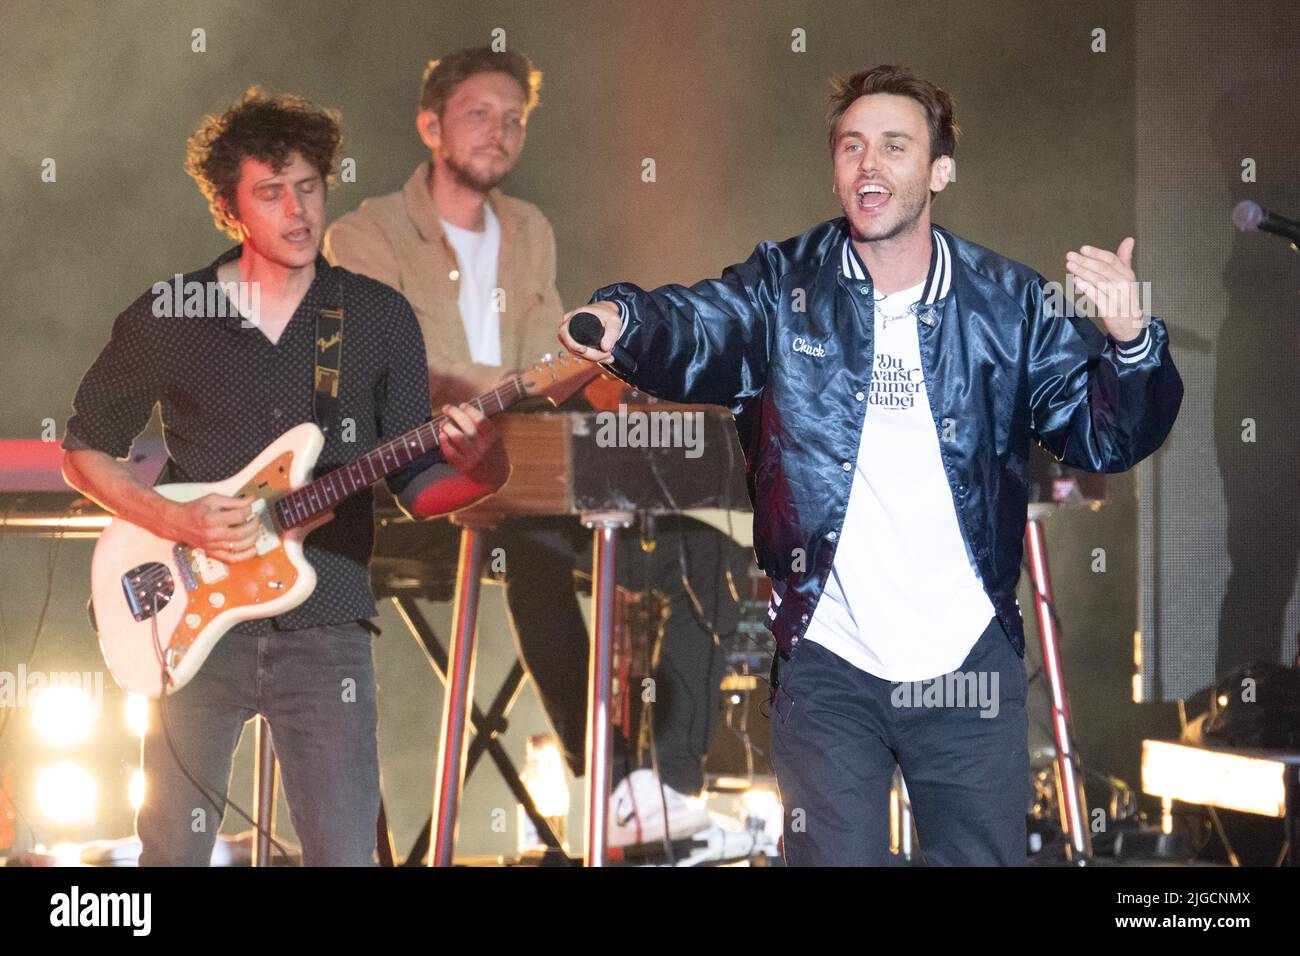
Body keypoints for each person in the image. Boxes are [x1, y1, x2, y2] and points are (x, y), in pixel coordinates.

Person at [559, 64, 1185, 866]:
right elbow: (700, 324)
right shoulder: (786, 285)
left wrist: (1132, 345)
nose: (868, 164)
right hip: (831, 662)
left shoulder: (1007, 302)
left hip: (965, 665)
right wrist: (625, 320)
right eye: (852, 146)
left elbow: (1103, 438)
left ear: (939, 171)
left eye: (894, 146)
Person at [61, 88, 509, 866]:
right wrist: (179, 524)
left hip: (325, 627)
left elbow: (419, 485)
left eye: (308, 187)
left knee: (342, 855)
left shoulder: (375, 317)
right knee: (171, 851)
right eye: (271, 193)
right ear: (231, 210)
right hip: (189, 622)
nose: (297, 210)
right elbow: (83, 449)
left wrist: (487, 469)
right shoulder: (174, 313)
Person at [325, 47, 748, 849]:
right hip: (416, 497)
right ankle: (613, 775)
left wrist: (632, 380)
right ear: (430, 125)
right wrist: (522, 383)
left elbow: (560, 372)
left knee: (710, 562)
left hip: (532, 479)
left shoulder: (530, 230)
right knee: (532, 548)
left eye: (514, 118)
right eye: (479, 113)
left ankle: (659, 788)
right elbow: (404, 372)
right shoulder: (365, 233)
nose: (500, 130)